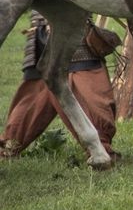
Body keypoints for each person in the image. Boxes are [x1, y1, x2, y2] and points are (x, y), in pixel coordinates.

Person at [1, 11, 121, 159]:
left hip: (68, 23)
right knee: (91, 95)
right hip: (63, 26)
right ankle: (101, 149)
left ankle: (8, 147)